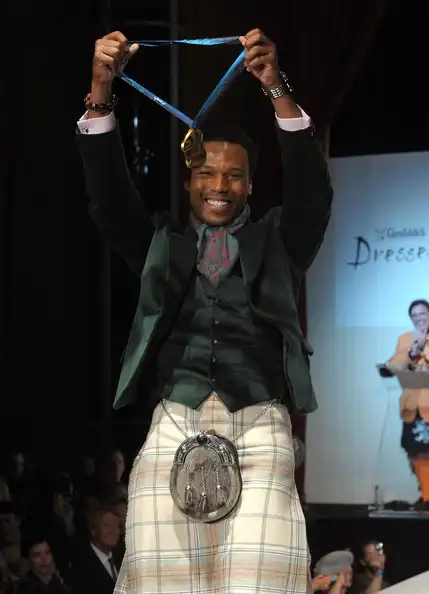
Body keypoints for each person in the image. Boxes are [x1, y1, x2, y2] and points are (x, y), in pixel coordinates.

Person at [77, 28, 332, 594]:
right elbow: (109, 196)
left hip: (260, 427)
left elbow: (313, 193)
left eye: (234, 175)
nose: (219, 185)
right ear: (189, 181)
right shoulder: (159, 245)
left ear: (250, 185)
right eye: (206, 174)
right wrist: (101, 90)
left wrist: (276, 88)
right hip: (175, 423)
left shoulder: (280, 243)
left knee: (258, 584)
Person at [387, 299, 429, 509]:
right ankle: (426, 494)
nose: (419, 318)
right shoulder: (406, 339)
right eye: (415, 315)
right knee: (415, 452)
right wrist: (414, 350)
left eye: (423, 314)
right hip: (413, 407)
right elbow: (393, 366)